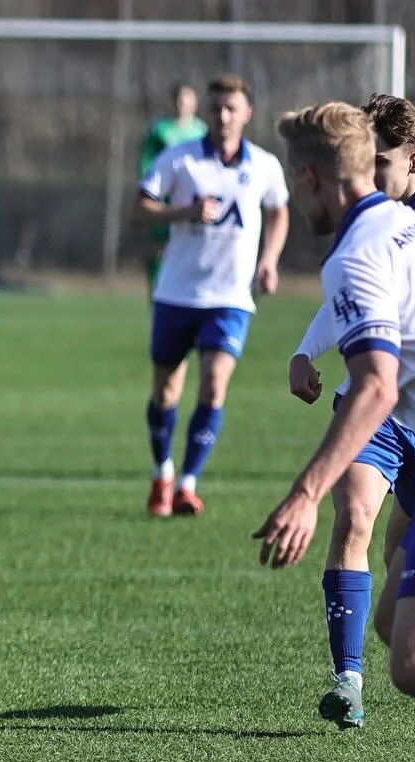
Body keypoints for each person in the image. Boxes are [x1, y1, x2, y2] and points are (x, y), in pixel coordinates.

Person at [254, 100, 415, 718]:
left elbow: (377, 387)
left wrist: (304, 492)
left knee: (411, 662)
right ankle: (347, 679)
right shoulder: (406, 226)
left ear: (308, 179)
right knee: (390, 626)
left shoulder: (357, 252)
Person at [134, 74, 290, 517]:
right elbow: (138, 209)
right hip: (177, 292)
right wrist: (183, 211)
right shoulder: (179, 159)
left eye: (231, 107)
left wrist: (270, 259)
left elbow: (279, 211)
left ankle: (187, 483)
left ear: (247, 113)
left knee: (213, 384)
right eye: (216, 107)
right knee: (166, 391)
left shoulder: (263, 165)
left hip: (230, 297)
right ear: (206, 112)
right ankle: (162, 472)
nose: (223, 115)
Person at [139, 83, 209, 290]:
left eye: (187, 99)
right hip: (166, 203)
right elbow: (146, 164)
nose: (183, 104)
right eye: (179, 100)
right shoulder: (161, 130)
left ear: (194, 103)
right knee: (161, 252)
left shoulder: (202, 131)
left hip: (194, 205)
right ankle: (159, 294)